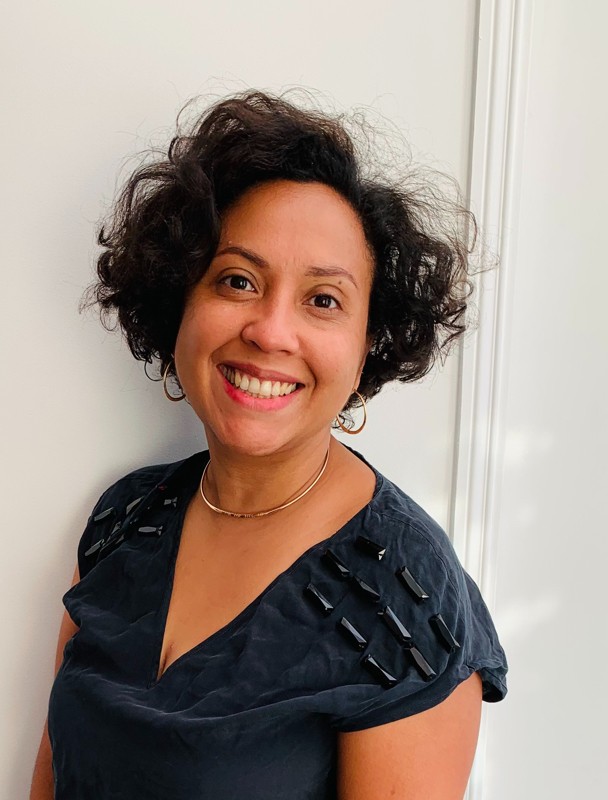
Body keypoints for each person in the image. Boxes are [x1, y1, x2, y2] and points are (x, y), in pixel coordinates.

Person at [30, 90, 508, 799]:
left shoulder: (406, 601)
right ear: (180, 300)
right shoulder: (126, 520)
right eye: (238, 281)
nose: (271, 331)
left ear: (368, 344)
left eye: (323, 300)